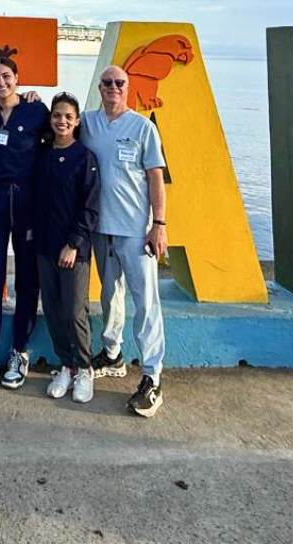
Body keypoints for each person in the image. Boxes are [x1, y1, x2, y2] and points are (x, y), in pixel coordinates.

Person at [81, 65, 168, 418]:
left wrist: (159, 224)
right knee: (109, 294)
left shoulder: (143, 127)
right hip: (101, 228)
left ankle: (152, 376)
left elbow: (156, 178)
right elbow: (59, 120)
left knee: (145, 302)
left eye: (120, 83)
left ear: (128, 88)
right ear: (99, 87)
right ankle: (113, 353)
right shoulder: (88, 123)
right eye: (107, 83)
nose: (113, 87)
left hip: (136, 230)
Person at [0, 57, 50, 394]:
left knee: (28, 282)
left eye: (6, 76)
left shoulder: (36, 111)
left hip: (28, 202)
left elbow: (61, 136)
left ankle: (19, 351)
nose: (1, 82)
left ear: (18, 78)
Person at [32, 93, 100, 404]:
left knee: (74, 312)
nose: (62, 120)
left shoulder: (84, 157)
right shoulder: (43, 154)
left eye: (68, 116)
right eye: (57, 115)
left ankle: (85, 368)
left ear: (76, 121)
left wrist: (74, 243)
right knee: (53, 309)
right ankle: (67, 366)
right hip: (45, 246)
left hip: (73, 249)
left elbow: (90, 208)